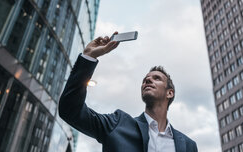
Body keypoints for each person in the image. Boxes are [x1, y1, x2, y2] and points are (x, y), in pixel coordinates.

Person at [58, 32, 198, 152]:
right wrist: (88, 56)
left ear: (170, 93)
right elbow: (70, 110)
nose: (148, 81)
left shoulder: (188, 145)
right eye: (145, 79)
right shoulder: (118, 123)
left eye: (157, 78)